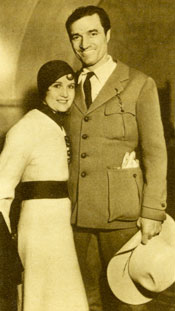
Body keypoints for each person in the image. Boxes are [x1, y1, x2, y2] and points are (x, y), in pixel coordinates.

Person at [64, 5, 167, 311]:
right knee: (87, 300)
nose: (84, 44)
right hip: (78, 217)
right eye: (76, 37)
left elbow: (156, 154)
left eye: (93, 33)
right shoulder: (68, 88)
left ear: (108, 35)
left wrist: (152, 212)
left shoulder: (138, 83)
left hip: (123, 217)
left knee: (129, 303)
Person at [0, 60, 89, 311]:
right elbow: (1, 188)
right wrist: (6, 245)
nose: (65, 93)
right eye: (57, 86)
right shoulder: (26, 127)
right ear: (44, 90)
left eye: (70, 86)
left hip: (59, 224)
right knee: (41, 297)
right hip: (37, 227)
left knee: (64, 296)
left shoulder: (60, 124)